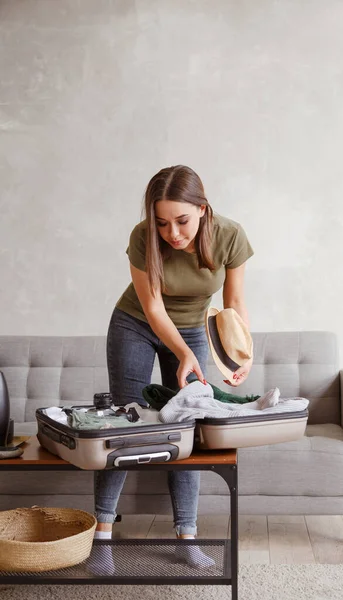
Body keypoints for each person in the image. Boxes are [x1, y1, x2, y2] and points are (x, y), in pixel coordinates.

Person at [94, 164, 254, 569]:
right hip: (136, 325)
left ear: (203, 209)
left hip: (193, 327)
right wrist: (183, 353)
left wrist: (239, 357)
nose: (173, 233)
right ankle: (102, 539)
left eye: (182, 221)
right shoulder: (141, 237)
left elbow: (233, 305)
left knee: (186, 426)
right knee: (125, 426)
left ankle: (186, 537)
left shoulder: (230, 236)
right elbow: (152, 307)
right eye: (162, 223)